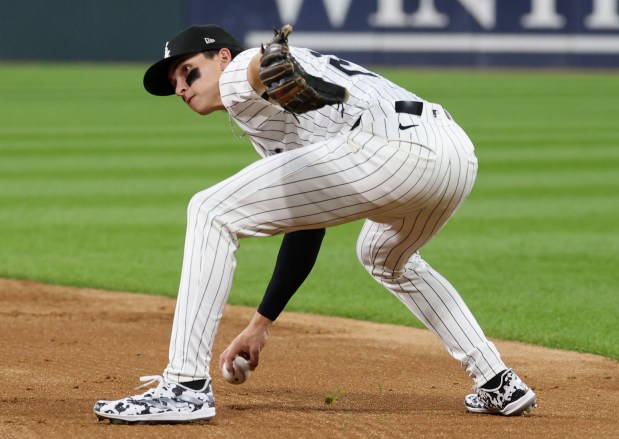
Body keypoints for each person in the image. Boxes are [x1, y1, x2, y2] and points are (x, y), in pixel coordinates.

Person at [93, 24, 536, 424]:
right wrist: (260, 323)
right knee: (384, 258)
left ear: (221, 58)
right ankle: (498, 381)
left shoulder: (239, 69)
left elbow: (257, 66)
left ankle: (185, 386)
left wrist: (267, 65)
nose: (180, 88)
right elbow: (308, 225)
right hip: (453, 153)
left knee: (210, 210)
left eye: (188, 72)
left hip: (386, 147)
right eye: (173, 84)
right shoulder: (267, 122)